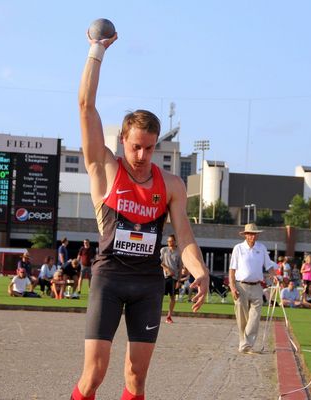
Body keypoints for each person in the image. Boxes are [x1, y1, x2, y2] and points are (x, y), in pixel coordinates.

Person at [70, 30, 209, 400]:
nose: (142, 155)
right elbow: (86, 106)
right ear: (122, 142)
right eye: (136, 147)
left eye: (149, 148)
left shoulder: (172, 185)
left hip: (147, 284)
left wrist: (199, 271)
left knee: (136, 378)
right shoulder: (106, 169)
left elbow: (186, 238)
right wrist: (96, 51)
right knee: (94, 373)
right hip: (110, 278)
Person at [228, 223, 277, 354]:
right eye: (250, 234)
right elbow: (232, 270)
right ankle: (244, 343)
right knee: (242, 317)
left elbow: (268, 266)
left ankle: (247, 344)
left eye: (254, 234)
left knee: (255, 316)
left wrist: (274, 276)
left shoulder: (261, 248)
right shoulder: (238, 248)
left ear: (257, 235)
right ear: (245, 235)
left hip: (256, 286)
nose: (252, 236)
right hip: (241, 285)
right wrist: (232, 287)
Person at [160, 234, 183, 324]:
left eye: (171, 241)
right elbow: (159, 262)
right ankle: (156, 314)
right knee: (159, 297)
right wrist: (167, 269)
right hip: (164, 277)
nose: (169, 243)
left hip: (174, 278)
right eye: (168, 241)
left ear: (175, 242)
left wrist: (179, 281)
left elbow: (180, 268)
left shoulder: (179, 252)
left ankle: (169, 316)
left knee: (172, 298)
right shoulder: (164, 250)